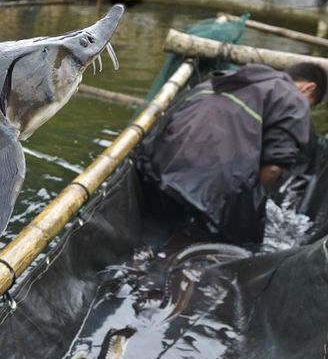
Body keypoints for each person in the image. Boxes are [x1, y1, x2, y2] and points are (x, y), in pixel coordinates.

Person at [136, 62, 326, 244]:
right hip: (208, 193)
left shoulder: (225, 79)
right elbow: (274, 168)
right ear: (308, 88)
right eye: (311, 104)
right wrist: (253, 206)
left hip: (155, 167)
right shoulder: (294, 99)